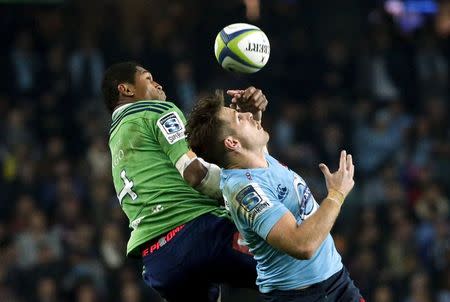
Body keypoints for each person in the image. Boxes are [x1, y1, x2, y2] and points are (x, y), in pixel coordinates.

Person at [101, 61, 267, 302]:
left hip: (159, 262)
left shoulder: (117, 137)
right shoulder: (156, 111)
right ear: (126, 90)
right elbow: (194, 172)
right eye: (148, 78)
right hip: (197, 233)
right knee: (293, 267)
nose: (157, 83)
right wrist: (247, 182)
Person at [185, 90, 365, 302]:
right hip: (302, 296)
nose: (247, 116)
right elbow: (302, 245)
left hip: (337, 280)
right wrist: (336, 194)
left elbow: (258, 157)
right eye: (239, 117)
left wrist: (253, 112)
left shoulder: (257, 159)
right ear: (232, 143)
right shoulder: (244, 191)